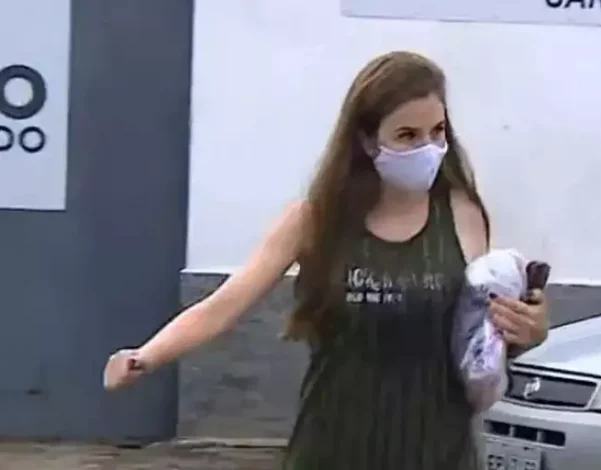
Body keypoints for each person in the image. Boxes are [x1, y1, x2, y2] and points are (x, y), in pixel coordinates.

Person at [103, 50, 550, 469]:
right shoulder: (315, 220)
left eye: (437, 132)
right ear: (366, 141)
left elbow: (476, 335)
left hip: (437, 451)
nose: (428, 148)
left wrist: (525, 331)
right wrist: (145, 357)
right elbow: (225, 304)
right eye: (407, 136)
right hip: (334, 448)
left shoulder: (463, 215)